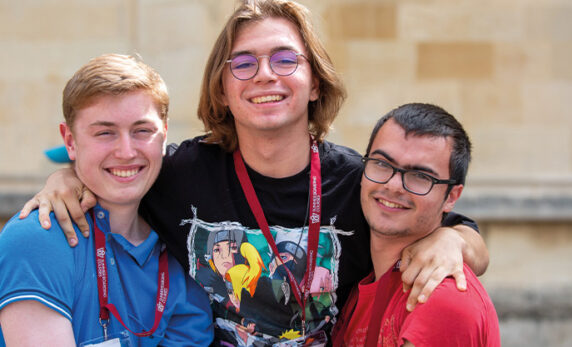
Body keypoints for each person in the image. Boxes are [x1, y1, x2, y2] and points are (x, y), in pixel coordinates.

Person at [18, 1, 489, 345]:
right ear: (222, 90)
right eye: (243, 63)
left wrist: (454, 240)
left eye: (285, 59)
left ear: (314, 82)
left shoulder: (361, 180)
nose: (264, 74)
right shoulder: (182, 171)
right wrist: (65, 180)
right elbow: (121, 165)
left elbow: (454, 230)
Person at [0, 54, 213, 346]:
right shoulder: (38, 238)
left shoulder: (182, 255)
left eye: (142, 131)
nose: (126, 151)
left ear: (163, 137)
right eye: (105, 132)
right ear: (70, 142)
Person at [331, 103, 500, 347]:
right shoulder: (365, 286)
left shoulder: (441, 300)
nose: (393, 185)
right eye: (381, 164)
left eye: (421, 176)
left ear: (451, 197)